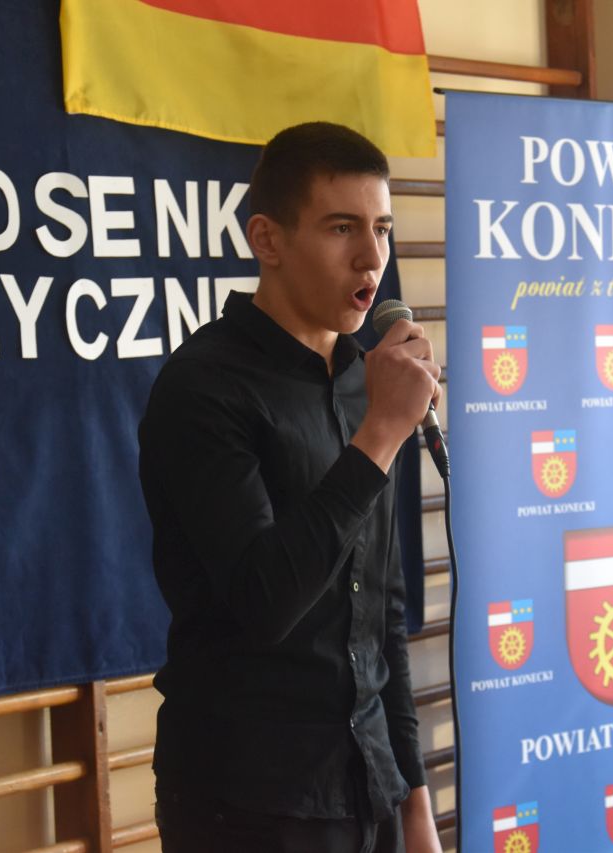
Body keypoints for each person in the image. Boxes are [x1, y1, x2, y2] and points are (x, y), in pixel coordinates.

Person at [138, 122, 444, 853]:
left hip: (368, 781)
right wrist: (380, 435)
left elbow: (380, 612)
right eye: (342, 228)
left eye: (382, 228)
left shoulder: (364, 381)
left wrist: (414, 800)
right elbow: (263, 600)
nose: (372, 257)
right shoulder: (204, 387)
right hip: (249, 799)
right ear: (267, 240)